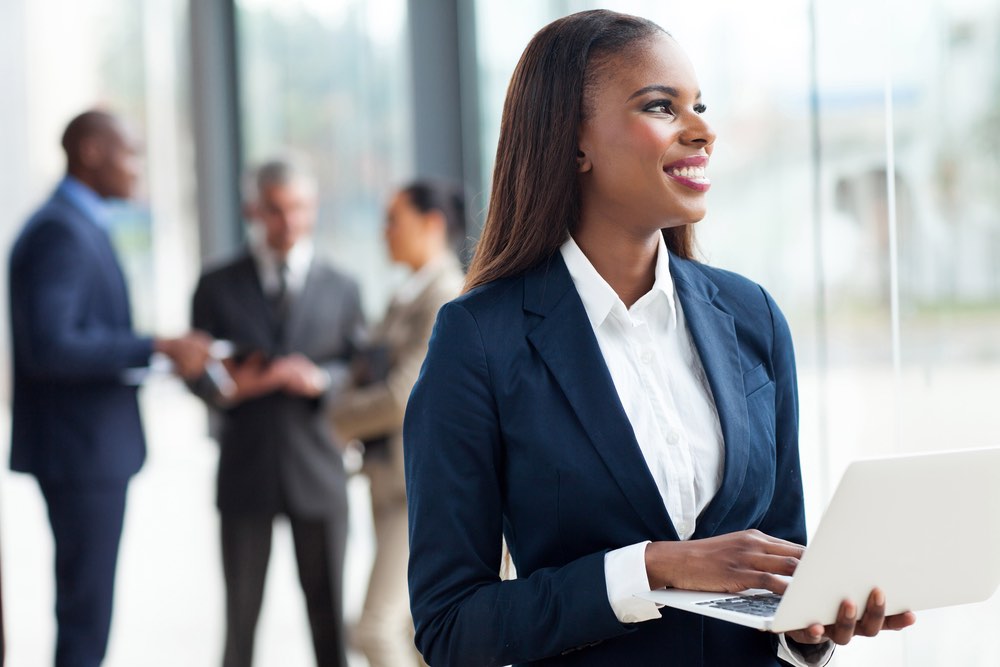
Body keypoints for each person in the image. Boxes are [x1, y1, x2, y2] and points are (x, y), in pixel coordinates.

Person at [402, 11, 917, 667]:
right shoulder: (479, 340)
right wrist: (652, 569)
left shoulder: (751, 314)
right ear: (573, 142)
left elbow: (782, 563)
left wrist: (811, 625)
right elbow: (451, 626)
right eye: (661, 107)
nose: (702, 130)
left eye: (699, 105)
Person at [7, 109, 212, 667]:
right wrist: (155, 345)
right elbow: (52, 347)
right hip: (80, 454)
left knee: (85, 609)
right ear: (90, 153)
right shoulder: (60, 231)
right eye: (130, 154)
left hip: (83, 451)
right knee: (85, 616)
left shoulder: (75, 224)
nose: (138, 169)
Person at [188, 157, 364, 667]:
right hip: (246, 470)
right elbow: (199, 377)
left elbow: (356, 367)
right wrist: (241, 385)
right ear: (253, 211)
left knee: (329, 618)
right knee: (240, 621)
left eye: (301, 209)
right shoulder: (216, 284)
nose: (290, 223)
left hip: (319, 468)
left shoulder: (344, 285)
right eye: (277, 211)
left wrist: (319, 379)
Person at [330, 181, 466, 667]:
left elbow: (400, 396)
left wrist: (332, 417)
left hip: (417, 489)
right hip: (390, 481)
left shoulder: (444, 294)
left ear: (432, 224)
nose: (384, 232)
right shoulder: (405, 296)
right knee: (413, 631)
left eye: (394, 219)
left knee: (376, 628)